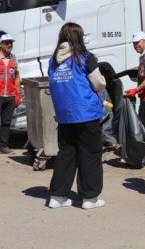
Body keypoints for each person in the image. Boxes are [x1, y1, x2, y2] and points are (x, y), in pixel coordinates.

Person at [46, 23, 107, 210]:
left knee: (66, 153)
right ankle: (89, 197)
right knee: (90, 154)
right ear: (79, 38)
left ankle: (58, 196)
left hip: (65, 115)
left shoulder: (53, 60)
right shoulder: (85, 57)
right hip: (86, 113)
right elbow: (99, 83)